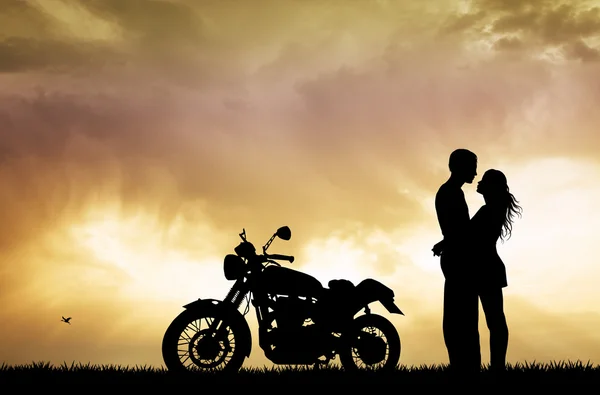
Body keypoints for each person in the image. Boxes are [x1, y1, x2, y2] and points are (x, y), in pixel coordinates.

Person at [434, 169, 523, 373]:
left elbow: (467, 234)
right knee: (495, 318)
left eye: (484, 181)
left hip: (484, 268)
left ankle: (497, 366)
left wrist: (443, 243)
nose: (479, 182)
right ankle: (497, 366)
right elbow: (467, 233)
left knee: (495, 320)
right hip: (486, 267)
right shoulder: (492, 208)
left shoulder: (489, 210)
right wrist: (444, 243)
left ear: (491, 187)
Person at [432, 148, 481, 375]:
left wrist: (444, 242)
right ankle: (464, 366)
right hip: (459, 258)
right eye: (472, 166)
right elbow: (457, 230)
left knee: (460, 314)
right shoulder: (450, 192)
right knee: (461, 316)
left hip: (455, 255)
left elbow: (454, 230)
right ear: (459, 166)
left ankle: (464, 365)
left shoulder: (450, 192)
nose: (475, 172)